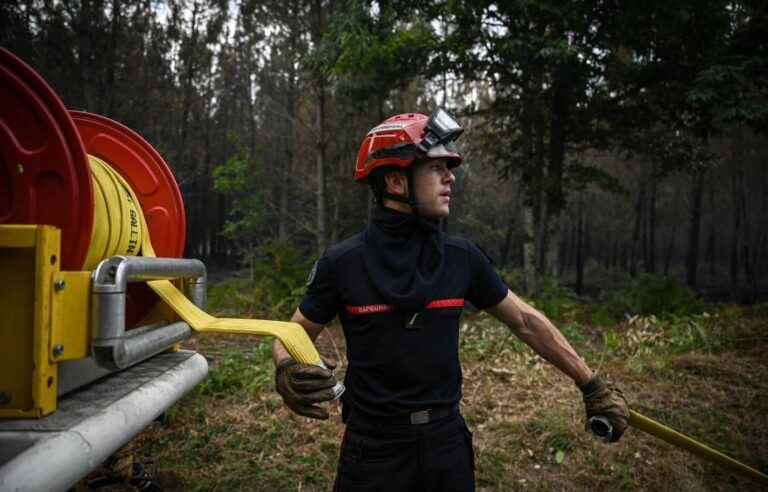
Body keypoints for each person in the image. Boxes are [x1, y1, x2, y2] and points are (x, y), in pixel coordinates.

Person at [272, 109, 629, 492]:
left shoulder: (462, 257)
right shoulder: (343, 263)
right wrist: (285, 368)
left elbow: (525, 322)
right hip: (373, 452)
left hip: (446, 447)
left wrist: (590, 383)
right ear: (395, 180)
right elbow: (289, 334)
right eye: (435, 167)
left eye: (449, 166)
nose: (450, 177)